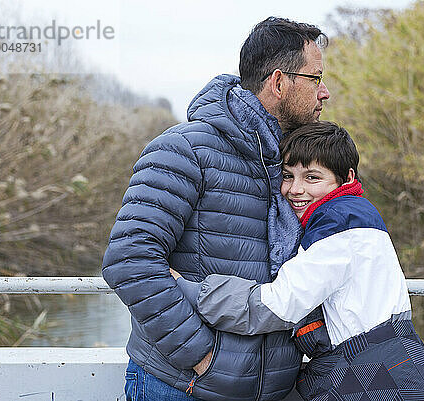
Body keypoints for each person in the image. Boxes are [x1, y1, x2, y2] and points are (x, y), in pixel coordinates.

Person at [101, 17, 330, 401]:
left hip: (272, 389)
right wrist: (203, 357)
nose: (324, 92)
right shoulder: (185, 150)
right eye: (315, 78)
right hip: (183, 387)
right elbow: (129, 259)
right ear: (278, 82)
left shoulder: (294, 165)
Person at [173, 122, 424, 401]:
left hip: (371, 374)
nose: (295, 189)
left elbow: (277, 305)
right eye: (288, 176)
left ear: (346, 178)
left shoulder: (339, 221)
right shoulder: (357, 213)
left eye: (312, 177)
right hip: (393, 365)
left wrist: (190, 290)